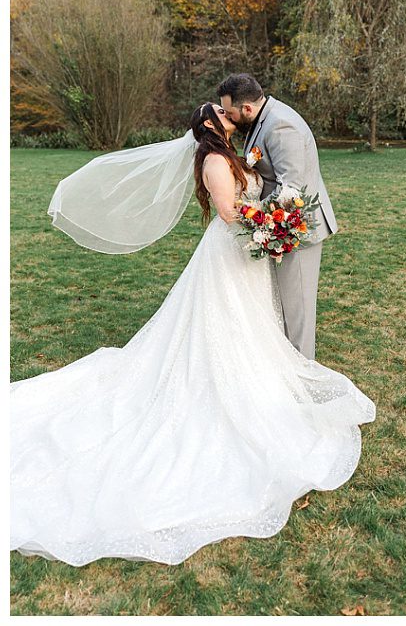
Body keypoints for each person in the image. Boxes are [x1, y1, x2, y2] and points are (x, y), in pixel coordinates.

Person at [11, 104, 375, 566]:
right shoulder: (214, 161)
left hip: (244, 254)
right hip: (231, 252)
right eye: (221, 115)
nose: (229, 118)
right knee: (223, 325)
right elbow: (228, 212)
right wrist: (272, 225)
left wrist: (272, 220)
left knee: (250, 323)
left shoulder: (229, 153)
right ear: (209, 125)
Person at [216, 74, 337, 360]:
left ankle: (303, 374)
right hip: (279, 227)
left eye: (230, 112)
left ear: (246, 109)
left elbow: (290, 190)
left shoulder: (281, 125)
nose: (230, 118)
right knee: (283, 305)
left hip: (298, 230)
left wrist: (251, 215)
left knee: (298, 309)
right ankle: (287, 370)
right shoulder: (264, 120)